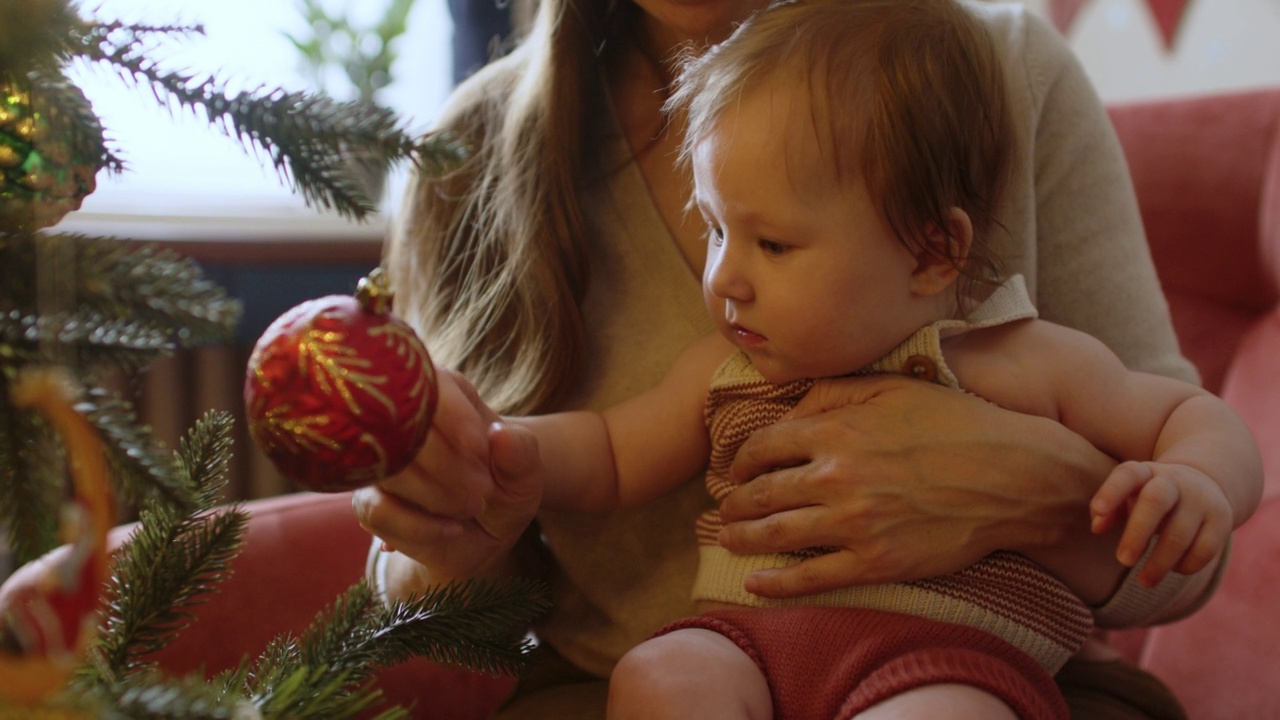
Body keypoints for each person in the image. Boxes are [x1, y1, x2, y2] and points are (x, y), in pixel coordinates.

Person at [352, 0, 1251, 716]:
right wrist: (493, 465)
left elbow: (1181, 451)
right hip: (727, 650)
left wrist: (1154, 490)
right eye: (712, 232)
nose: (727, 279)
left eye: (774, 246)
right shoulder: (717, 360)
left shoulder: (1011, 341)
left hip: (947, 663)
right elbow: (612, 452)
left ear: (936, 253)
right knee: (663, 681)